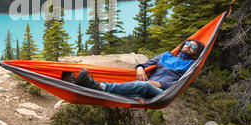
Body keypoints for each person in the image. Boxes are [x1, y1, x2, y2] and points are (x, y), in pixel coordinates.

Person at [75, 40, 205, 100]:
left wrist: (159, 84)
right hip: (145, 86)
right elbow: (145, 64)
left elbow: (181, 83)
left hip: (161, 93)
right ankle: (75, 84)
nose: (188, 46)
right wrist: (140, 68)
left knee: (143, 85)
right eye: (187, 43)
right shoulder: (166, 56)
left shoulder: (190, 64)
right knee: (140, 86)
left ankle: (100, 87)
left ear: (196, 53)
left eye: (193, 46)